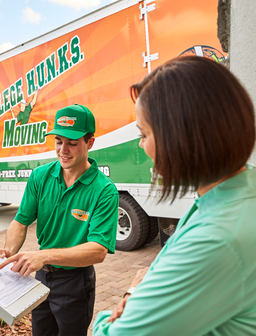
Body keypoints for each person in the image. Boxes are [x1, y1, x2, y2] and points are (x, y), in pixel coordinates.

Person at [93, 56, 256, 335]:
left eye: (143, 134)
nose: (142, 147)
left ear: (179, 137)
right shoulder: (239, 188)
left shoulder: (215, 239)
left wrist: (127, 300)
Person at [0, 104, 119, 336]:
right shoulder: (40, 176)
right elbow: (20, 221)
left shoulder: (103, 190)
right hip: (41, 275)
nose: (63, 150)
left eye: (72, 143)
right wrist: (8, 251)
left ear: (89, 143)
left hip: (75, 280)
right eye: (58, 141)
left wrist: (44, 255)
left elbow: (98, 251)